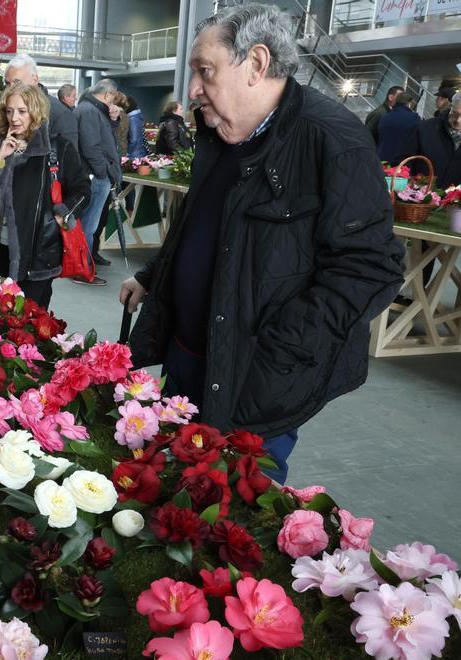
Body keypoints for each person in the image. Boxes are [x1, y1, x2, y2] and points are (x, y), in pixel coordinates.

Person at [118, 3, 403, 483]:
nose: (191, 90)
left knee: (227, 513)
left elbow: (369, 270)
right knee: (168, 493)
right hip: (186, 354)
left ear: (256, 64)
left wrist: (276, 353)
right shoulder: (222, 133)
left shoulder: (331, 140)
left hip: (253, 375)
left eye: (204, 71)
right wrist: (152, 276)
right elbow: (205, 223)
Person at [0, 83, 90, 309]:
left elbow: (82, 189)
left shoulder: (57, 148)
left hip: (38, 254)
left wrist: (63, 214)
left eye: (22, 111)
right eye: (9, 110)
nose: (14, 118)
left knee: (29, 325)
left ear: (36, 111)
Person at [72, 78, 122, 286]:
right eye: (113, 98)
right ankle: (82, 271)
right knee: (88, 227)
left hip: (96, 174)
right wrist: (103, 172)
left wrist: (113, 120)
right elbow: (91, 146)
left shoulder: (90, 109)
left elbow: (101, 139)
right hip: (96, 175)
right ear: (107, 95)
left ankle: (83, 266)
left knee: (88, 225)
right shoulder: (89, 111)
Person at [5, 54, 79, 149]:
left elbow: (69, 156)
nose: (11, 89)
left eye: (17, 83)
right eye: (7, 84)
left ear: (35, 79)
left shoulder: (59, 113)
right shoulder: (5, 108)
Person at [400, 92, 461, 188]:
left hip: (455, 201)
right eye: (454, 114)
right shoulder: (426, 128)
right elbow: (404, 160)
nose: (458, 120)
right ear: (450, 108)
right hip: (420, 197)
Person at [376, 92, 420, 163]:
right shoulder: (414, 118)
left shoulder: (385, 117)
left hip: (382, 158)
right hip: (402, 161)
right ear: (409, 103)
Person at [126, 95, 148, 159]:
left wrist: (127, 153)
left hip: (134, 154)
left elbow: (134, 139)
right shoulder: (136, 117)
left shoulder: (133, 119)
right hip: (138, 153)